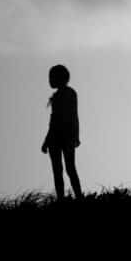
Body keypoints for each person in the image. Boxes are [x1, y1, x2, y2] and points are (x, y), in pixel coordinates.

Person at [42, 64, 83, 200]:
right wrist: (46, 141)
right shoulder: (58, 96)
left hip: (65, 136)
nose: (49, 80)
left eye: (52, 77)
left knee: (69, 169)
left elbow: (72, 116)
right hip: (56, 138)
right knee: (58, 171)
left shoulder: (69, 93)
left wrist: (75, 136)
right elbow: (53, 122)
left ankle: (78, 197)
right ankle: (62, 199)